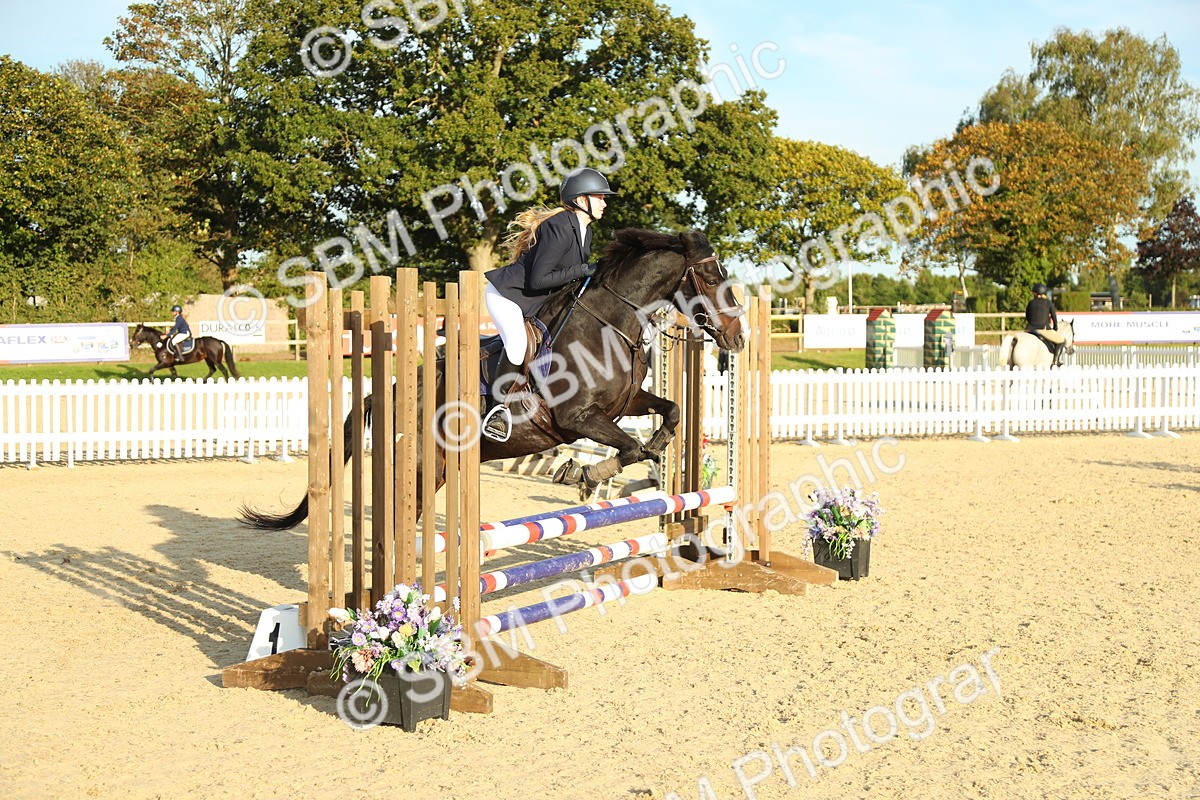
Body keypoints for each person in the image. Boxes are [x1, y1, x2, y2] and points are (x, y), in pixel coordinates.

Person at [481, 167, 616, 441]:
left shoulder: (584, 233)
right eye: (599, 197)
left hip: (532, 301)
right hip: (508, 296)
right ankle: (497, 412)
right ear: (581, 201)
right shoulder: (558, 227)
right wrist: (584, 270)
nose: (605, 202)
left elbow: (570, 278)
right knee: (518, 347)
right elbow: (538, 280)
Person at [1024, 283, 1065, 365]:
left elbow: (1027, 316)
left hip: (1029, 329)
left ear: (1035, 293)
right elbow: (1053, 316)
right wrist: (1055, 327)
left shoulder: (1030, 302)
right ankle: (1056, 361)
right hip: (1043, 329)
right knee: (1061, 341)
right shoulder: (1048, 303)